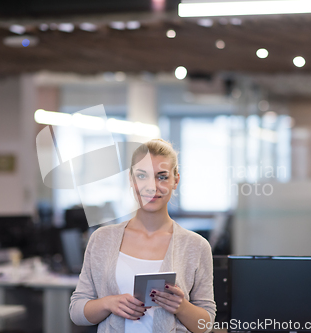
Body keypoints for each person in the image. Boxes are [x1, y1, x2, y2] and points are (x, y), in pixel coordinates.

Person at [69, 138, 216, 332]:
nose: (152, 186)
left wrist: (181, 307)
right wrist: (108, 303)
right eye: (142, 176)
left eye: (162, 177)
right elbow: (76, 312)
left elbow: (206, 324)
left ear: (176, 181)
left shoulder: (196, 246)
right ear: (131, 179)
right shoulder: (101, 239)